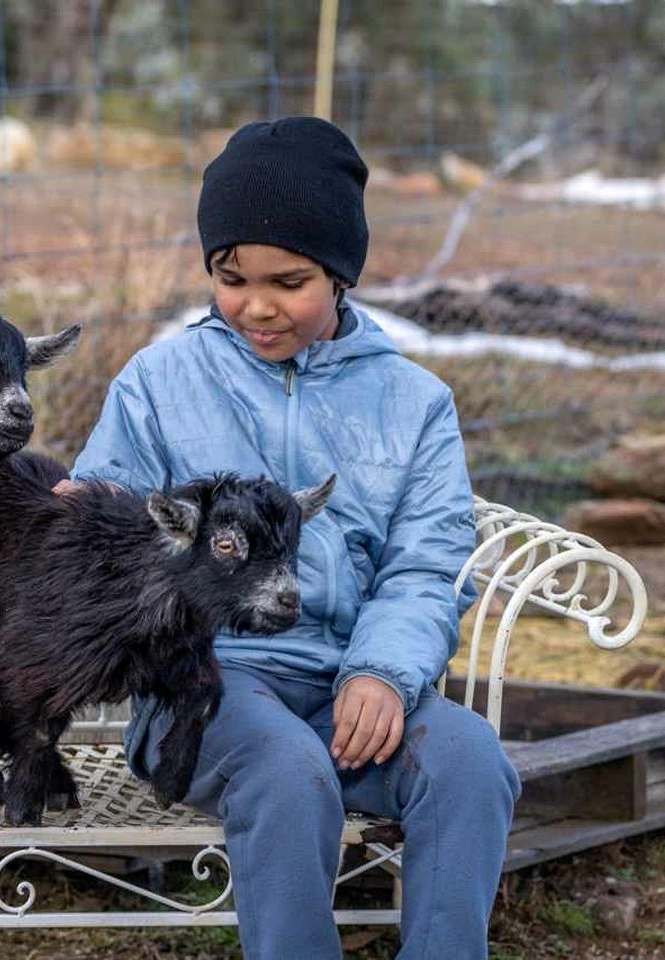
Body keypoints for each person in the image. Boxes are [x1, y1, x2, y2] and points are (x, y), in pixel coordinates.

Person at [65, 116, 521, 960]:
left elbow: (426, 564)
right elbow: (110, 525)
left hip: (357, 685)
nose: (256, 305)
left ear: (342, 275)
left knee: (469, 762)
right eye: (230, 277)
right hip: (205, 689)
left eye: (289, 280)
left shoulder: (413, 403)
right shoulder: (161, 383)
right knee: (285, 767)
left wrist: (384, 673)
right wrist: (82, 513)